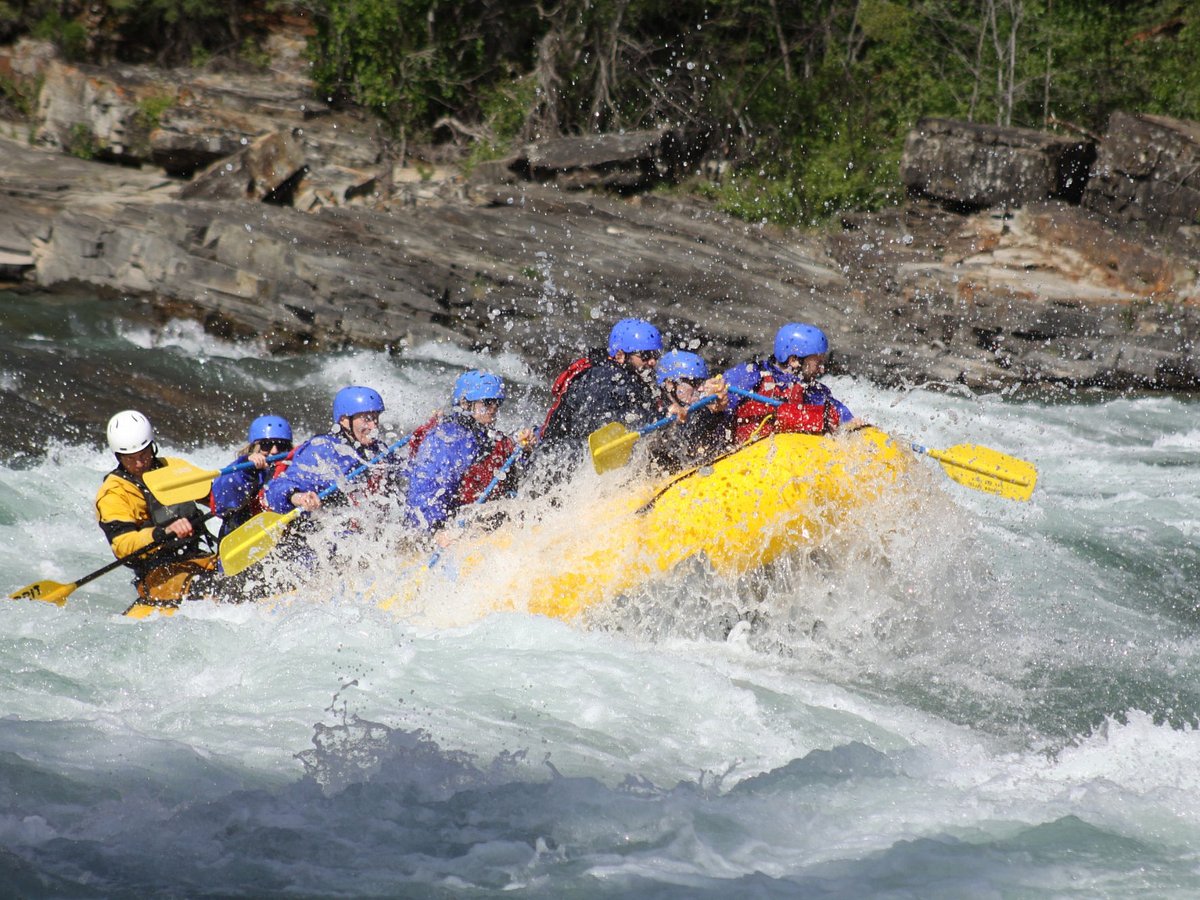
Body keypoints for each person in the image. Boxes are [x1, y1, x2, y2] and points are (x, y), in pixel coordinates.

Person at [94, 410, 218, 605]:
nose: (139, 463)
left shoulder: (173, 468)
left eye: (144, 454)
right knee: (213, 588)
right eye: (130, 458)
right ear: (118, 457)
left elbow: (216, 497)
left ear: (153, 446)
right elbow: (123, 545)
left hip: (197, 556)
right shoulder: (113, 492)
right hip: (158, 573)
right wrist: (162, 532)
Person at [405, 370, 529, 536]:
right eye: (487, 402)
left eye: (497, 403)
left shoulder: (488, 436)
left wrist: (526, 449)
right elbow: (426, 491)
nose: (493, 409)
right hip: (451, 526)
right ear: (464, 403)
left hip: (483, 517)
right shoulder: (448, 439)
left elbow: (512, 468)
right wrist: (437, 532)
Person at [535, 317, 664, 472]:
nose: (652, 362)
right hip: (560, 459)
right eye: (645, 356)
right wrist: (663, 416)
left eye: (655, 355)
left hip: (578, 453)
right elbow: (603, 423)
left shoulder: (635, 377)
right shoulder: (606, 377)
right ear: (620, 356)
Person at [262, 386, 395, 518]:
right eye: (366, 419)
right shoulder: (323, 449)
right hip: (324, 526)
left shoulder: (378, 449)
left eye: (375, 418)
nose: (374, 426)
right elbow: (276, 488)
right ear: (344, 421)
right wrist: (299, 497)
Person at [722, 323, 854, 444]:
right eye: (818, 363)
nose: (822, 369)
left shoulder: (815, 391)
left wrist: (851, 424)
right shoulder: (748, 375)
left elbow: (845, 419)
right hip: (745, 458)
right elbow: (715, 411)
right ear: (794, 360)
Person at [210, 414, 292, 542]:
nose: (274, 451)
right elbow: (223, 503)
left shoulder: (295, 469)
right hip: (242, 539)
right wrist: (247, 470)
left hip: (280, 541)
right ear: (254, 447)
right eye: (267, 445)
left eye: (281, 445)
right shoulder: (240, 469)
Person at [649, 349, 733, 473]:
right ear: (669, 384)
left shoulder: (702, 408)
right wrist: (670, 422)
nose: (700, 388)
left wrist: (717, 412)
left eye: (701, 382)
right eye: (693, 382)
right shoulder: (651, 410)